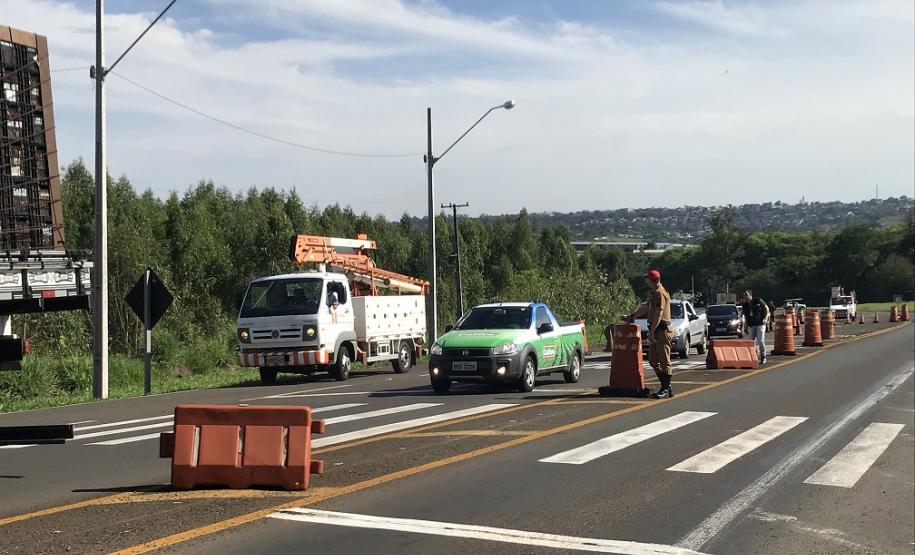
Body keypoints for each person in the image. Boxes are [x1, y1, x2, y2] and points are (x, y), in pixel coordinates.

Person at [624, 269, 673, 398]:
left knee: (664, 361)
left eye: (647, 280)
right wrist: (631, 316)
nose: (647, 282)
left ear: (652, 281)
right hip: (656, 330)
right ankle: (666, 385)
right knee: (653, 361)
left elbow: (659, 314)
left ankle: (666, 388)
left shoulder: (660, 293)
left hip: (661, 331)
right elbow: (646, 308)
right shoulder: (654, 293)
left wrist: (651, 333)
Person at [740, 290, 769, 364]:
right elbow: (745, 316)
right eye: (744, 296)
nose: (746, 297)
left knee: (760, 340)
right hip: (751, 325)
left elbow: (766, 308)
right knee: (751, 342)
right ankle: (753, 356)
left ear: (750, 295)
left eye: (747, 295)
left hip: (760, 323)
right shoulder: (745, 305)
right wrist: (745, 325)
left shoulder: (757, 300)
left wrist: (765, 318)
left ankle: (763, 356)